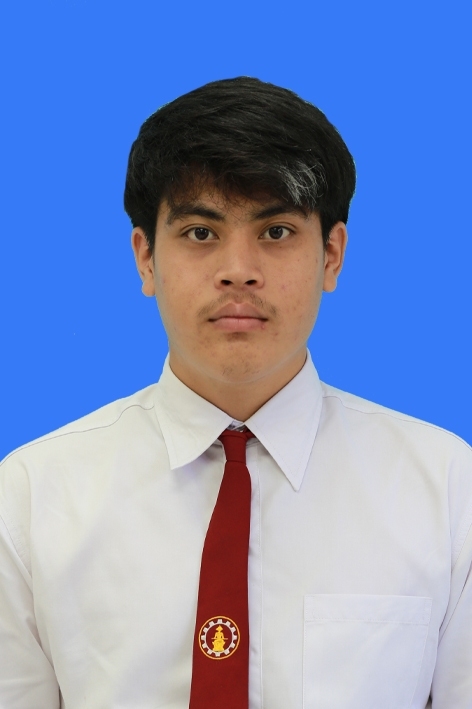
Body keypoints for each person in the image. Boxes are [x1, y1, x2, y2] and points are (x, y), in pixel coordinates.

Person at [0, 76, 471, 709]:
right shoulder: (32, 496)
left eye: (276, 232)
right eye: (201, 232)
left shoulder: (447, 490)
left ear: (332, 255)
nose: (238, 270)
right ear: (145, 257)